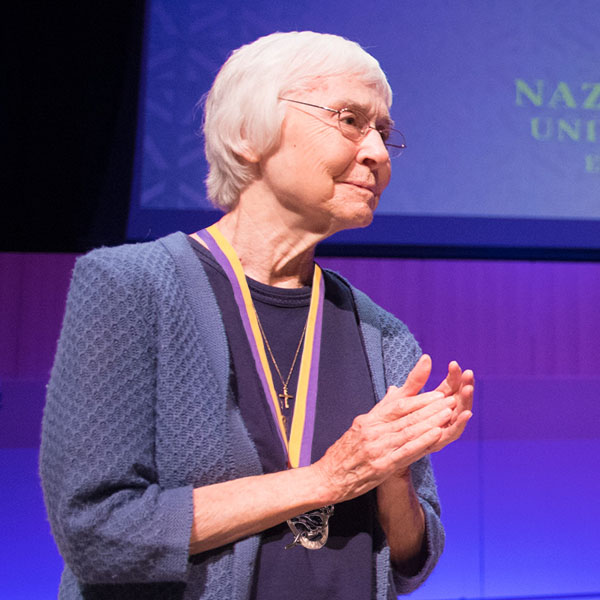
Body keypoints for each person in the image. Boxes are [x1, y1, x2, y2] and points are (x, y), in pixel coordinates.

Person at [40, 31, 474, 600]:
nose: (375, 152)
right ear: (248, 137)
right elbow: (97, 531)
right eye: (349, 119)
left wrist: (390, 473)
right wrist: (323, 481)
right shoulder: (132, 287)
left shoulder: (382, 333)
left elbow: (412, 559)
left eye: (385, 133)